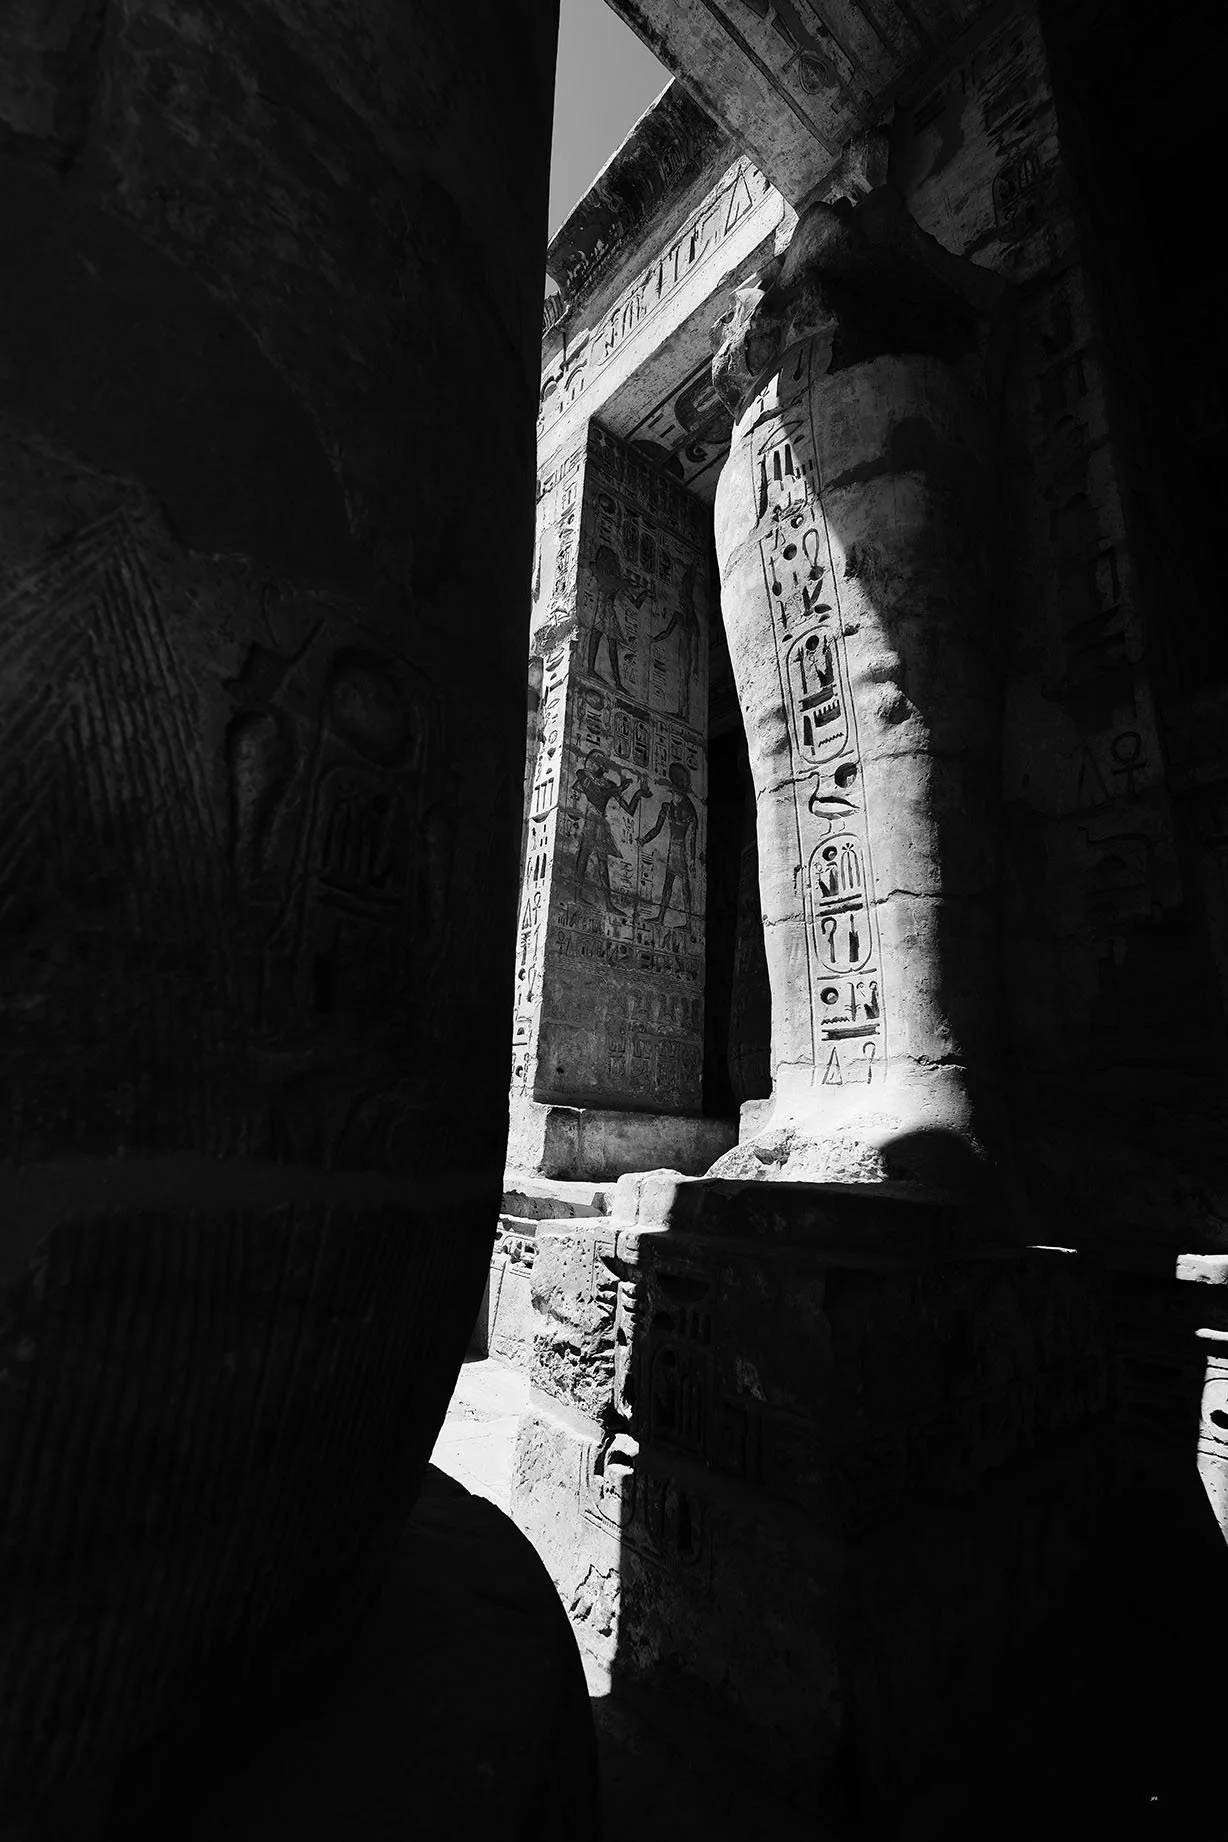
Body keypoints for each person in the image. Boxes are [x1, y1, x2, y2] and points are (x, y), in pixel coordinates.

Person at [573, 749, 647, 915]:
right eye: (593, 763)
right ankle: (577, 895)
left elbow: (629, 809)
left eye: (598, 764)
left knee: (602, 862)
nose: (593, 766)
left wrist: (638, 793)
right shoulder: (584, 776)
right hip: (590, 821)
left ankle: (608, 904)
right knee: (584, 856)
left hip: (600, 824)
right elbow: (596, 794)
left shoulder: (609, 785)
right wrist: (618, 789)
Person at [640, 762, 698, 925]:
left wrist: (692, 861)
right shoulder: (667, 807)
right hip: (672, 851)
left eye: (677, 794)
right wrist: (644, 839)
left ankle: (688, 923)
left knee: (684, 887)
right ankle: (661, 918)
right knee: (667, 885)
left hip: (681, 851)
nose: (675, 797)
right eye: (674, 794)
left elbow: (692, 838)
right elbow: (656, 829)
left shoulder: (689, 812)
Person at [589, 544, 647, 690]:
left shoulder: (602, 573)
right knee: (606, 642)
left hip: (606, 610)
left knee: (603, 640)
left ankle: (614, 680)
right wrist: (642, 592)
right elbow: (636, 602)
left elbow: (636, 603)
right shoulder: (615, 580)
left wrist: (641, 593)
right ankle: (614, 681)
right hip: (606, 611)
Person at [650, 560, 701, 721]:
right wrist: (654, 639)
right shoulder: (680, 617)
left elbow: (695, 646)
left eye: (683, 600)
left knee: (684, 684)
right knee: (681, 683)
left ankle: (684, 713)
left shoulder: (692, 622)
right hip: (682, 655)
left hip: (687, 656)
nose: (681, 601)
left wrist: (696, 667)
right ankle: (682, 712)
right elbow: (666, 632)